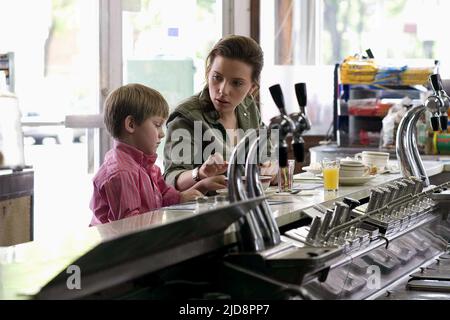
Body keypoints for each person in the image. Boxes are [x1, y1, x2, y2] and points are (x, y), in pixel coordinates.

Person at [163, 35, 276, 192]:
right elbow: (171, 179)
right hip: (204, 212)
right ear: (208, 73)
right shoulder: (187, 116)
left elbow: (270, 158)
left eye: (236, 83)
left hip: (247, 205)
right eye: (217, 77)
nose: (223, 90)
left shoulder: (248, 108)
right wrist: (200, 173)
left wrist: (269, 168)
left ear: (252, 89)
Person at [89, 84, 203, 226]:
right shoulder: (122, 172)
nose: (162, 133)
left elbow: (163, 194)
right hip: (118, 245)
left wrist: (182, 197)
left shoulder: (147, 166)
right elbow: (131, 226)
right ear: (131, 124)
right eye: (157, 125)